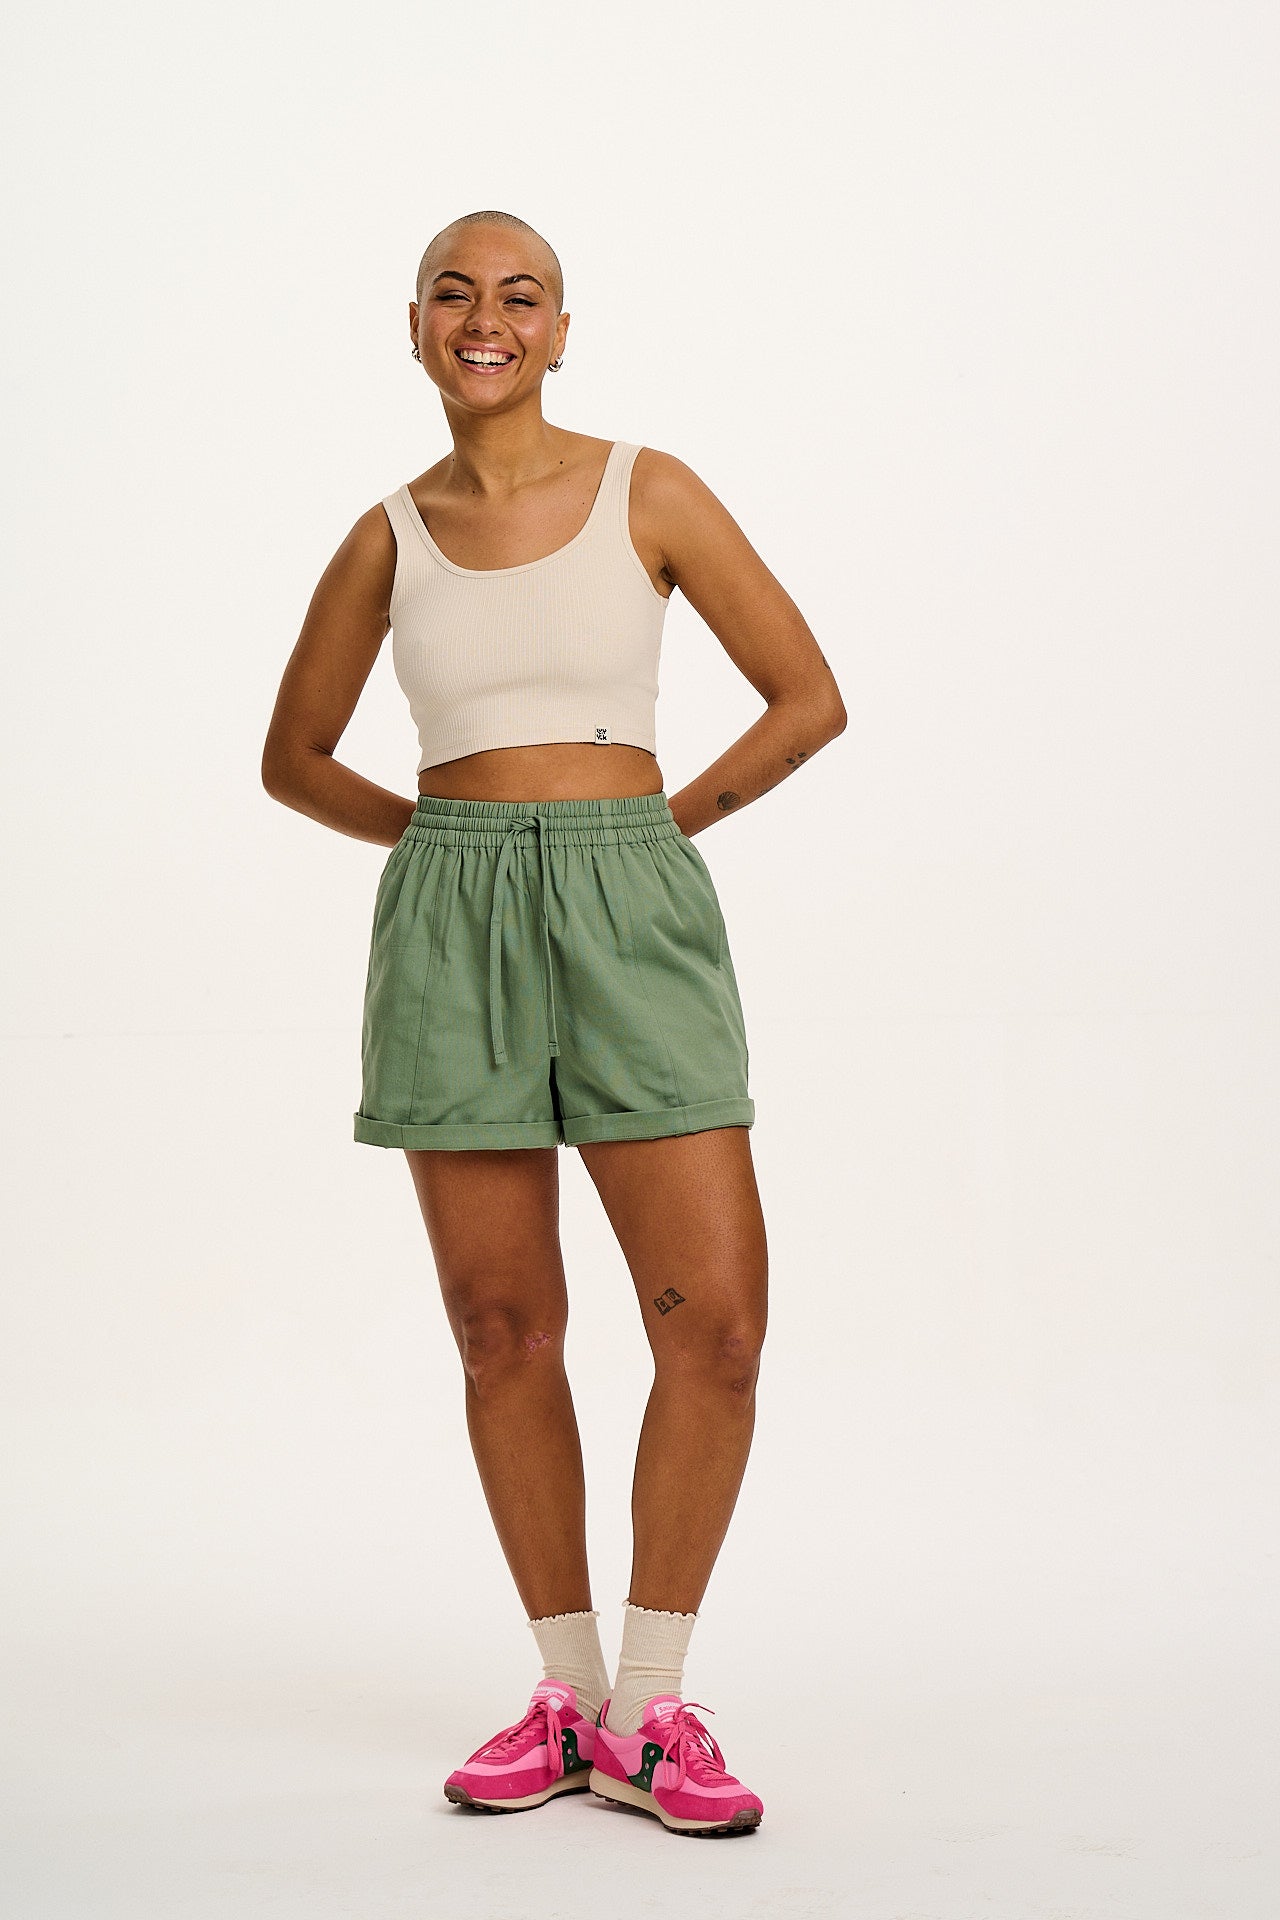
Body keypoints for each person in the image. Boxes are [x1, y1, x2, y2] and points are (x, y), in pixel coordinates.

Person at [261, 208, 846, 1838]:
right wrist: (448, 848)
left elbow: (808, 695)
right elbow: (292, 755)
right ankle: (568, 1696)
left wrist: (652, 834)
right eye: (455, 293)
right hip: (455, 923)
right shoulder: (387, 536)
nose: (487, 318)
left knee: (715, 1325)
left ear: (562, 332)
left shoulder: (651, 489)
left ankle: (652, 1708)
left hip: (630, 906)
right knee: (503, 1327)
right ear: (414, 326)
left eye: (521, 296)